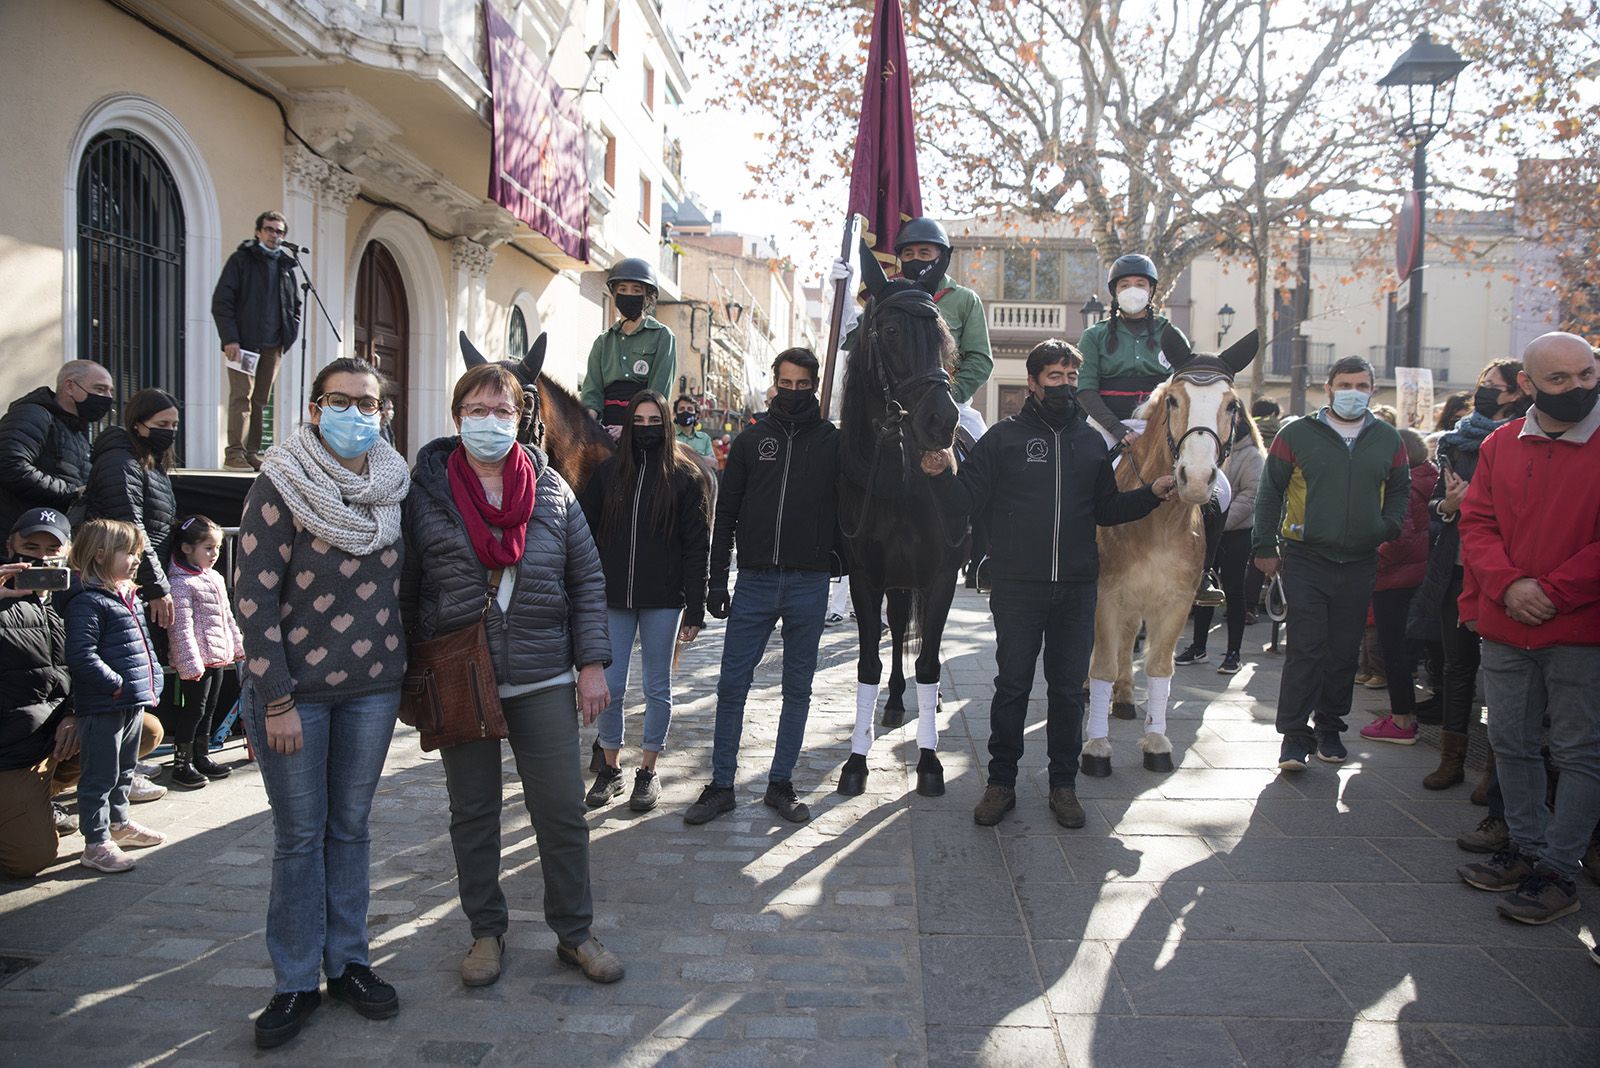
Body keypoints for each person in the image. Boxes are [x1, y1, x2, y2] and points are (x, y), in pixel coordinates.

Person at [401, 362, 622, 990]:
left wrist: (591, 665)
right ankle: (486, 932)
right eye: (477, 409)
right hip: (460, 676)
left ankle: (575, 933)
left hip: (543, 674)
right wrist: (410, 674)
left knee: (560, 812)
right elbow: (408, 588)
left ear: (522, 416)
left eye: (503, 411)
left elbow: (586, 581)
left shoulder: (551, 490)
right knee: (473, 813)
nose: (490, 422)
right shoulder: (427, 492)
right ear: (457, 418)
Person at [233, 356, 410, 1048]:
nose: (358, 414)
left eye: (370, 404)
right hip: (295, 698)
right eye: (343, 401)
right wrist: (275, 697)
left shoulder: (394, 486)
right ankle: (295, 980)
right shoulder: (280, 483)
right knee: (301, 838)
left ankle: (351, 962)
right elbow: (253, 599)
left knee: (352, 831)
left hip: (372, 691)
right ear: (313, 408)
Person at [927, 341, 1175, 827]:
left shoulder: (1090, 443)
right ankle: (1001, 784)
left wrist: (1151, 495)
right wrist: (939, 474)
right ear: (1033, 383)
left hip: (1078, 589)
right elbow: (963, 501)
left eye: (1069, 377)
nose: (1063, 385)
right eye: (1054, 377)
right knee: (1012, 687)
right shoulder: (1002, 439)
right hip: (1018, 588)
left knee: (1067, 692)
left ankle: (1064, 786)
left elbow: (1106, 510)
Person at [1454, 332, 1600, 925]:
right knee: (1511, 743)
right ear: (1529, 385)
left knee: (1578, 751)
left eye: (1586, 375)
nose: (1577, 388)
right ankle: (1527, 850)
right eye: (1559, 380)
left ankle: (1560, 872)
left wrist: (1553, 591)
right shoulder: (1500, 444)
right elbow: (1477, 523)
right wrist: (1510, 585)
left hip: (1580, 628)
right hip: (1507, 624)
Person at [684, 348, 840, 827]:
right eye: (785, 383)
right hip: (753, 581)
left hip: (808, 583)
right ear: (774, 382)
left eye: (802, 384)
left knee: (798, 688)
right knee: (732, 684)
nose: (793, 392)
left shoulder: (834, 443)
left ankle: (781, 783)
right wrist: (716, 581)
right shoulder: (752, 442)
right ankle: (722, 785)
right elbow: (724, 515)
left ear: (814, 386)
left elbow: (853, 510)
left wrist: (838, 560)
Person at [1253, 356, 1409, 771]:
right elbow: (1270, 493)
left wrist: (1387, 527)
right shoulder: (1296, 434)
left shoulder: (1388, 440)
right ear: (1329, 388)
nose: (1352, 392)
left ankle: (1329, 728)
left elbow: (1399, 490)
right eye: (1344, 384)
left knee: (1343, 651)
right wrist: (1264, 545)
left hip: (1359, 560)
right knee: (1306, 647)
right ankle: (1293, 736)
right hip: (1305, 556)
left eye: (1361, 385)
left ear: (1372, 390)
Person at [578, 391, 708, 812]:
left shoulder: (685, 478)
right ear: (630, 423)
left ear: (667, 425)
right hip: (612, 598)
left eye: (656, 420)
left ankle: (648, 771)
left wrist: (696, 605)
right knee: (611, 687)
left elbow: (696, 547)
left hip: (664, 600)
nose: (647, 428)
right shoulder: (608, 473)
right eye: (640, 420)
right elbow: (585, 533)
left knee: (658, 687)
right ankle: (610, 769)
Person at [1417, 359, 1529, 792]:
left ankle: (1495, 774)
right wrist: (1449, 505)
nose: (1482, 390)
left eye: (1492, 385)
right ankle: (1452, 760)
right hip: (1457, 570)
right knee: (1456, 666)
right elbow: (1433, 507)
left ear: (1516, 392)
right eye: (1481, 383)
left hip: (1506, 574)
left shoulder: (1527, 439)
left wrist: (1480, 505)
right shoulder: (1455, 442)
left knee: (1505, 677)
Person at [63, 518, 166, 874]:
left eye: (138, 552)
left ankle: (119, 824)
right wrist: (116, 683)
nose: (136, 559)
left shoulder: (129, 596)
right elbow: (81, 654)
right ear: (100, 554)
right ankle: (95, 842)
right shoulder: (88, 601)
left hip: (130, 700)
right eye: (129, 552)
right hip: (106, 702)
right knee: (100, 775)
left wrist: (150, 682)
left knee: (125, 769)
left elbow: (143, 645)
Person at [0, 508, 78, 878]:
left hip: (51, 736)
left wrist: (76, 713)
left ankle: (43, 794)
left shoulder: (74, 597)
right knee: (29, 861)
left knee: (143, 729)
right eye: (30, 546)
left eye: (52, 549)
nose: (41, 558)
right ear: (9, 546)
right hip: (11, 750)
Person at [1358, 428, 1437, 744]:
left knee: (1394, 652)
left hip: (1396, 579)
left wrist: (1370, 563)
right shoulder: (1428, 478)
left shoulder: (1402, 487)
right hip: (1417, 577)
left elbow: (1397, 539)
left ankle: (1402, 720)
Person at [81, 389, 179, 632]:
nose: (170, 430)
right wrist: (157, 586)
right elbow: (132, 526)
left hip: (140, 577)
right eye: (162, 424)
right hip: (125, 581)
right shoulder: (121, 463)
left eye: (174, 424)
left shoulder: (151, 463)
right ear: (138, 425)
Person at [1175, 412, 1264, 673]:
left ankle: (1233, 653)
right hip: (1205, 532)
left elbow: (1250, 496)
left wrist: (1218, 524)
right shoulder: (1210, 452)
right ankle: (1198, 647)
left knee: (1235, 592)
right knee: (1204, 588)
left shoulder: (1252, 456)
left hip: (1235, 535)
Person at [212, 210, 302, 471]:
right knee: (241, 397)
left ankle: (251, 452)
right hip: (243, 345)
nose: (275, 235)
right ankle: (234, 453)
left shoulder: (286, 267)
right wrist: (230, 338)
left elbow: (295, 306)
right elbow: (223, 302)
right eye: (270, 229)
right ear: (258, 232)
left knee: (261, 400)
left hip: (273, 345)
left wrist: (288, 337)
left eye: (279, 231)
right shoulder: (242, 260)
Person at [164, 515, 244, 789]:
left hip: (217, 656)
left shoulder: (215, 578)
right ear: (187, 548)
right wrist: (189, 663)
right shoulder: (180, 583)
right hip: (196, 662)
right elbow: (180, 628)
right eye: (208, 548)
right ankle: (181, 763)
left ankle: (202, 755)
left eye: (217, 548)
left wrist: (236, 645)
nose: (214, 554)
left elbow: (227, 616)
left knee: (209, 709)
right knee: (194, 711)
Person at [1075, 254, 1189, 445]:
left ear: (1150, 289)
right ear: (1115, 292)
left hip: (1162, 428)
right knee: (1083, 469)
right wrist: (1117, 429)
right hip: (1107, 427)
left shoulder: (1171, 334)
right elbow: (1086, 391)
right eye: (1125, 285)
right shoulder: (1093, 336)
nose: (1132, 290)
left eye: (1140, 284)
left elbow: (1186, 388)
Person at [0, 359, 113, 535]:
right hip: (19, 539)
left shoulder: (78, 433)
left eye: (110, 391)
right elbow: (10, 465)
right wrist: (71, 491)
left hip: (54, 539)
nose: (108, 398)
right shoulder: (33, 414)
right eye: (100, 389)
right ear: (69, 387)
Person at [579, 258, 677, 439]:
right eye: (622, 290)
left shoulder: (663, 336)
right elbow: (592, 391)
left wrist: (630, 428)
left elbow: (658, 393)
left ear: (647, 296)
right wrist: (589, 424)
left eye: (636, 290)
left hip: (644, 426)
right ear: (614, 294)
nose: (628, 294)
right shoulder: (602, 341)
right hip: (604, 426)